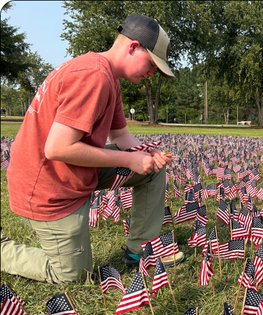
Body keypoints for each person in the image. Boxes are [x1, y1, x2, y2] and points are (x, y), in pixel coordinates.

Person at [2, 14, 180, 284]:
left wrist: (145, 154)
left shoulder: (107, 75)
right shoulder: (93, 75)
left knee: (152, 172)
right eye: (153, 64)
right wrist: (129, 161)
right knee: (72, 274)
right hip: (49, 186)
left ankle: (140, 249)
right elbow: (58, 148)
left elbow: (121, 136)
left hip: (72, 171)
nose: (153, 73)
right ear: (132, 47)